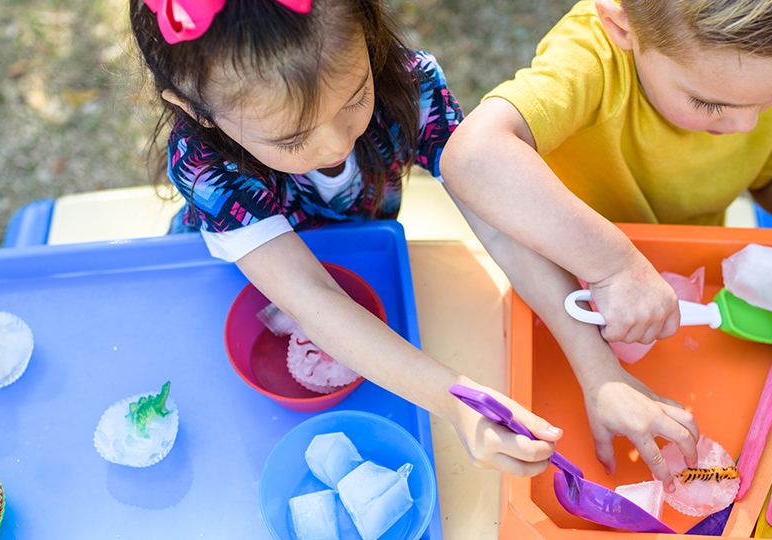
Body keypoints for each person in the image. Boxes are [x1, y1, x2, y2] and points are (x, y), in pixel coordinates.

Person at [439, 0, 772, 490]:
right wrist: (616, 267)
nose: (746, 125)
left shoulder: (745, 75)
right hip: (555, 284)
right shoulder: (594, 60)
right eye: (711, 105)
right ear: (621, 22)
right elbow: (472, 156)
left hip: (672, 283)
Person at [129, 0, 561, 477]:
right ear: (195, 109)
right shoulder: (207, 169)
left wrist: (592, 360)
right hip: (228, 281)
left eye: (355, 98)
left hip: (360, 265)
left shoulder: (409, 86)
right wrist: (457, 402)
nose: (336, 144)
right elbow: (311, 298)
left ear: (369, 30)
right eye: (293, 140)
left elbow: (498, 221)